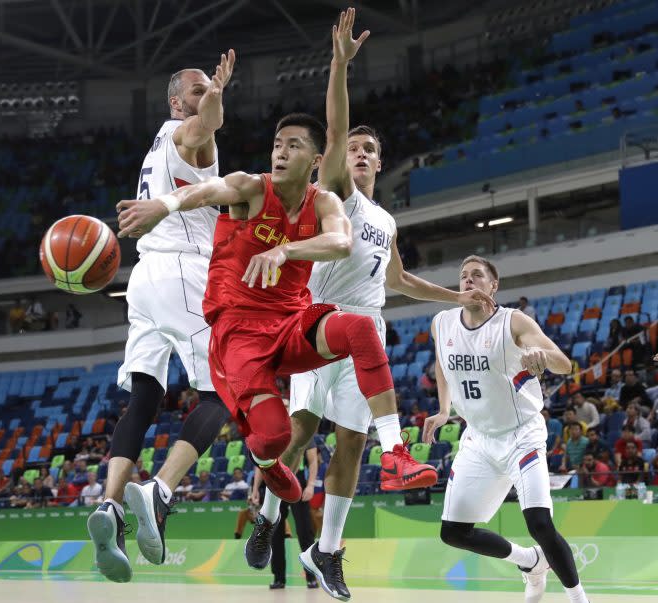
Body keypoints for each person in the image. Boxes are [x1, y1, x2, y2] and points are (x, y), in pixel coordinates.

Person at [117, 110, 446, 577]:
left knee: (358, 330)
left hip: (291, 322)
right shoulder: (251, 187)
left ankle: (394, 449)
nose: (280, 151)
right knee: (277, 440)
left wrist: (286, 249)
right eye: (277, 143)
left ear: (314, 159)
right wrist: (164, 206)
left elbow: (339, 242)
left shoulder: (325, 204)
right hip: (238, 334)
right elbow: (206, 190)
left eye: (293, 145)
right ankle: (260, 494)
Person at [242, 10, 495, 600]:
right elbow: (334, 128)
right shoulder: (339, 197)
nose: (357, 152)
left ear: (380, 161)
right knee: (295, 438)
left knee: (352, 444)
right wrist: (339, 65)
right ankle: (269, 517)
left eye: (367, 150)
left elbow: (400, 280)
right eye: (352, 147)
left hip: (365, 335)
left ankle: (327, 551)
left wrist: (457, 295)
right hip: (318, 330)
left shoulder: (385, 219)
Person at [87, 50, 237, 583]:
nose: (203, 96)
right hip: (183, 274)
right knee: (225, 392)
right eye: (194, 90)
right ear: (177, 101)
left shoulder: (156, 144)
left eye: (205, 89)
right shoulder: (186, 133)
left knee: (145, 397)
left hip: (144, 280)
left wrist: (211, 97)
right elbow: (208, 124)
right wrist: (216, 95)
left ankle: (109, 506)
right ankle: (160, 490)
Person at [424, 255, 590, 603]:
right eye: (463, 276)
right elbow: (442, 364)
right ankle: (529, 562)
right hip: (479, 438)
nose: (468, 281)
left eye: (477, 276)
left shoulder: (512, 321)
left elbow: (564, 363)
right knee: (453, 532)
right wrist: (443, 409)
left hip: (521, 435)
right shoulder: (442, 322)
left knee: (540, 524)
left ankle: (578, 598)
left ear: (493, 286)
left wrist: (541, 357)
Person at [268, 438, 319, 591]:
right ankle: (278, 578)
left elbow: (313, 461)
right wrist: (258, 488)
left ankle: (311, 577)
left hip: (299, 481)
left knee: (305, 531)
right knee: (275, 532)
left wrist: (310, 485)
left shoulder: (305, 432)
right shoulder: (275, 433)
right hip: (277, 482)